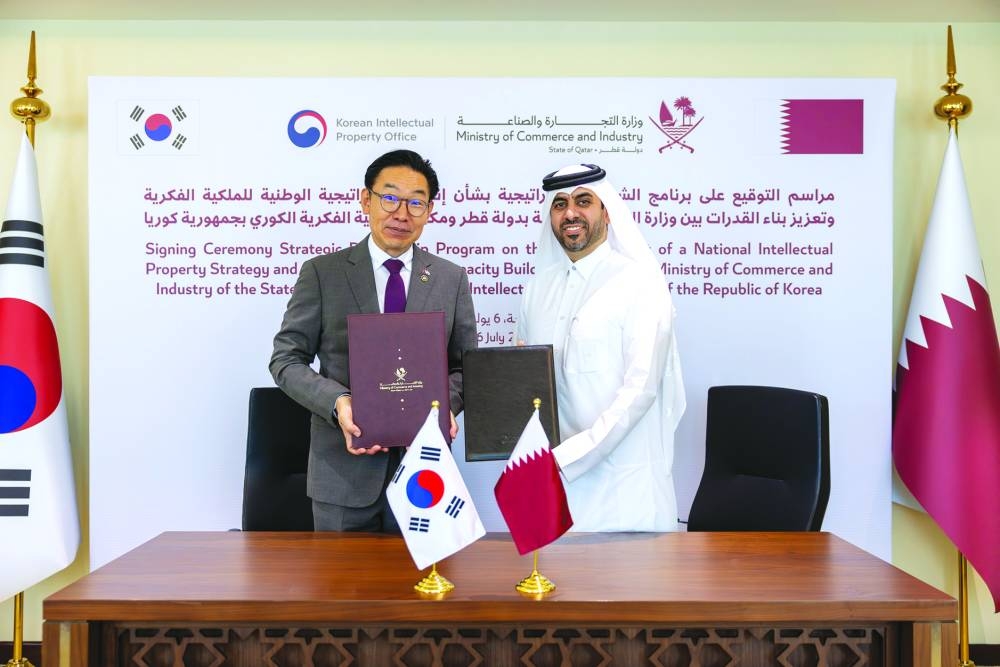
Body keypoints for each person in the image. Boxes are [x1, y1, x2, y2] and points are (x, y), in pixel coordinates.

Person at [270, 149, 477, 532]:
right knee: (341, 574)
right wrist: (338, 402)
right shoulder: (323, 274)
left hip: (426, 474)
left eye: (416, 202)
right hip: (342, 477)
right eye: (390, 198)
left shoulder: (451, 279)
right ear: (366, 200)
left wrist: (445, 403)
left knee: (423, 574)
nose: (402, 214)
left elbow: (466, 367)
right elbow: (286, 359)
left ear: (429, 210)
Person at [516, 163, 685, 532]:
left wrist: (566, 458)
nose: (570, 213)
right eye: (559, 204)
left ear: (607, 212)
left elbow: (640, 390)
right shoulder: (537, 289)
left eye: (583, 201)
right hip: (553, 491)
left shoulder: (639, 283)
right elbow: (526, 383)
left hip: (623, 495)